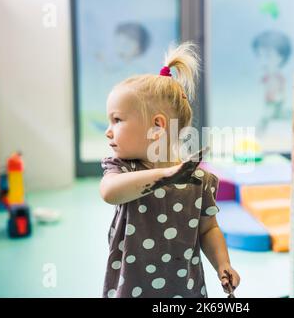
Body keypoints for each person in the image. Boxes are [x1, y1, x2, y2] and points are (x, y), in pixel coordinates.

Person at [99, 42, 240, 298]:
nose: (108, 131)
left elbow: (208, 228)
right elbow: (110, 192)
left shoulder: (198, 180)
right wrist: (165, 176)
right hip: (133, 288)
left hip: (183, 289)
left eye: (117, 120)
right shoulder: (122, 169)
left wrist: (223, 263)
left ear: (157, 126)